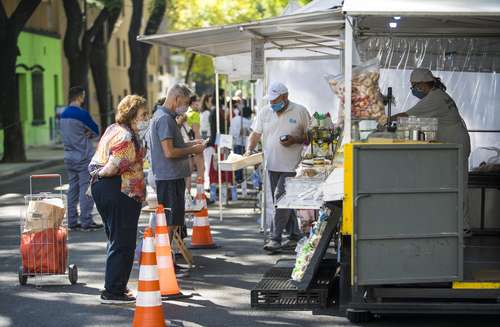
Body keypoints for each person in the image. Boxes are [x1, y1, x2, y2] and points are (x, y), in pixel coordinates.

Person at [393, 68, 471, 233]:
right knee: (454, 182)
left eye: (413, 85)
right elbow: (426, 120)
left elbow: (406, 115)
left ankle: (463, 226)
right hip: (455, 140)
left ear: (422, 84)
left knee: (458, 183)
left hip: (455, 141)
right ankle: (453, 223)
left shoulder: (434, 99)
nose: (413, 89)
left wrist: (384, 119)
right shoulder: (438, 94)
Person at [89, 95, 149, 304]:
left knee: (117, 239)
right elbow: (113, 166)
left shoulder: (113, 128)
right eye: (143, 114)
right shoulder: (125, 136)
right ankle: (113, 291)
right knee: (123, 242)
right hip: (120, 191)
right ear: (132, 115)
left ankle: (118, 286)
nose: (146, 118)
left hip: (107, 191)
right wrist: (102, 173)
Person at [246, 82, 310, 252]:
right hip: (272, 165)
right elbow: (255, 134)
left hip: (292, 165)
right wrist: (248, 150)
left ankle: (275, 238)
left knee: (280, 199)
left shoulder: (300, 111)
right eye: (271, 100)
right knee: (281, 201)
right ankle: (295, 235)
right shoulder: (265, 112)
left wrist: (295, 139)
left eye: (276, 100)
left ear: (285, 96)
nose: (273, 104)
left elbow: (311, 135)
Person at [148, 84, 205, 251]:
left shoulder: (164, 117)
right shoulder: (164, 119)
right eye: (186, 103)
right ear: (177, 99)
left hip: (171, 176)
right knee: (169, 223)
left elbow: (173, 146)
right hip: (169, 177)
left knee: (172, 222)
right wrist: (193, 149)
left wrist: (192, 144)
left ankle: (167, 259)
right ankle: (164, 261)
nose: (186, 107)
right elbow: (169, 152)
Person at [60, 86, 103, 231]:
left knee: (72, 188)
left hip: (68, 156)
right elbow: (96, 131)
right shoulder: (81, 114)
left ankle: (72, 221)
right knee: (86, 188)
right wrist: (87, 134)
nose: (84, 99)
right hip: (83, 156)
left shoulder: (63, 114)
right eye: (83, 96)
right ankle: (86, 221)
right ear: (79, 97)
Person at [186, 95, 205, 189]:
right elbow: (196, 132)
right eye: (198, 101)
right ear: (193, 103)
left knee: (188, 172)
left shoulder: (186, 113)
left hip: (186, 145)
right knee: (201, 170)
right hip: (195, 145)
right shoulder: (195, 114)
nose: (199, 103)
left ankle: (188, 195)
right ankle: (200, 194)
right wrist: (200, 147)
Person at [230, 105, 253, 183]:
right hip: (241, 143)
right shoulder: (247, 121)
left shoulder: (234, 119)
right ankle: (239, 178)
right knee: (240, 162)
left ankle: (237, 177)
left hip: (234, 142)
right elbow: (250, 131)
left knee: (236, 160)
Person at [200, 94, 214, 189]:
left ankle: (207, 184)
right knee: (208, 164)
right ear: (206, 102)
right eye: (210, 101)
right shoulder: (207, 113)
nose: (211, 103)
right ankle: (207, 185)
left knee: (207, 164)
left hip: (205, 142)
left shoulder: (203, 113)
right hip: (207, 142)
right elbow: (204, 130)